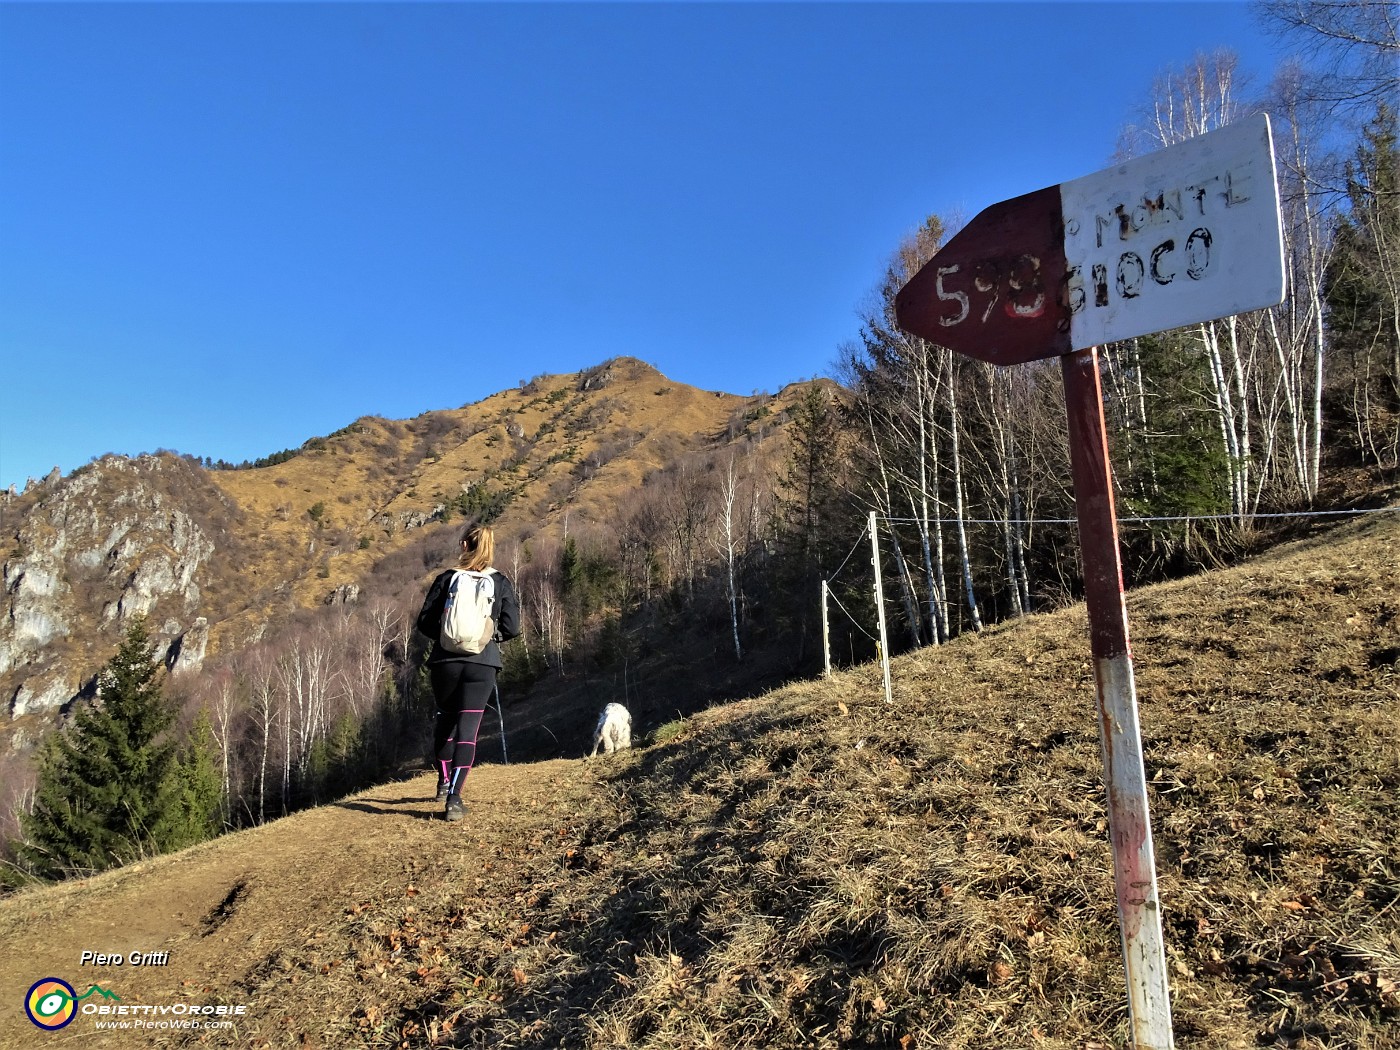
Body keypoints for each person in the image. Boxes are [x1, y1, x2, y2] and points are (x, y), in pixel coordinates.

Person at [415, 522, 521, 821]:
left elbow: (424, 621)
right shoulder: (500, 581)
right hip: (482, 662)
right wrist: (489, 638)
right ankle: (454, 799)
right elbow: (512, 627)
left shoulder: (448, 578)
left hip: (445, 662)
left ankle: (443, 780)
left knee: (445, 720)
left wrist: (448, 639)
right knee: (468, 731)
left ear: (464, 545)